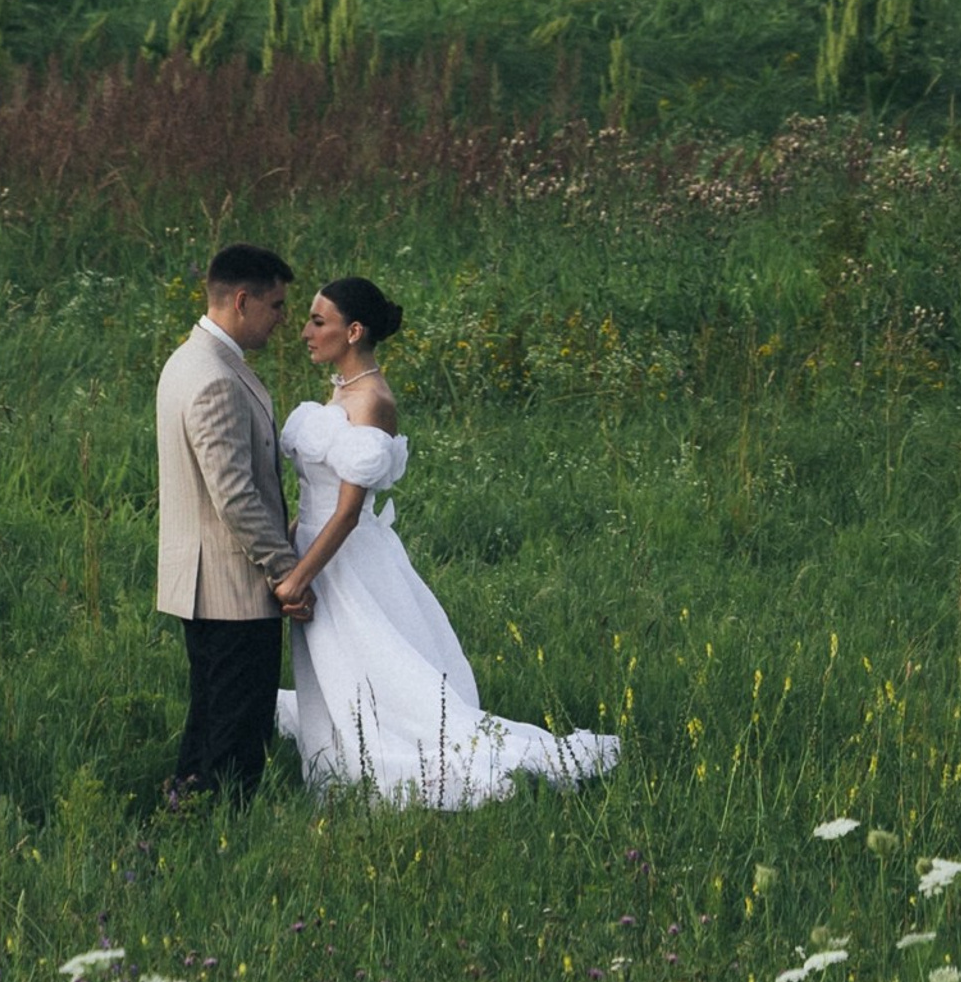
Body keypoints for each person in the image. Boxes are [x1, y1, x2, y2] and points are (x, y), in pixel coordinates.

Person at [271, 273, 620, 806]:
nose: (304, 332)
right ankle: (334, 748)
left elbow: (346, 512)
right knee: (333, 666)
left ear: (355, 331)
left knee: (377, 671)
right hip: (316, 549)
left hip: (346, 561)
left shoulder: (374, 402)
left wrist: (300, 575)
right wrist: (288, 547)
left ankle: (395, 755)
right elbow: (316, 497)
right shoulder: (340, 391)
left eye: (319, 321)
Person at [154, 239, 311, 804]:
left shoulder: (187, 359)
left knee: (210, 716)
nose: (282, 322)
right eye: (276, 306)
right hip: (230, 589)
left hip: (204, 584)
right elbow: (236, 497)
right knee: (236, 735)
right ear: (242, 301)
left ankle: (185, 811)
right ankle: (213, 830)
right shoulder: (215, 377)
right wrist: (287, 571)